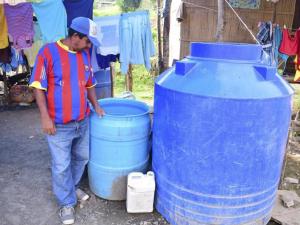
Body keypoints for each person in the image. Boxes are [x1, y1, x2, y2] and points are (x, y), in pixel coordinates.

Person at [29, 17, 105, 225]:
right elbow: (38, 86)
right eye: (88, 41)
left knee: (82, 157)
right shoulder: (48, 52)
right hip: (59, 125)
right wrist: (45, 117)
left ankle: (70, 187)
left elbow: (89, 84)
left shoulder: (84, 55)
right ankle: (66, 203)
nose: (89, 46)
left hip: (83, 120)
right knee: (61, 165)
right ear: (75, 37)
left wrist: (96, 105)